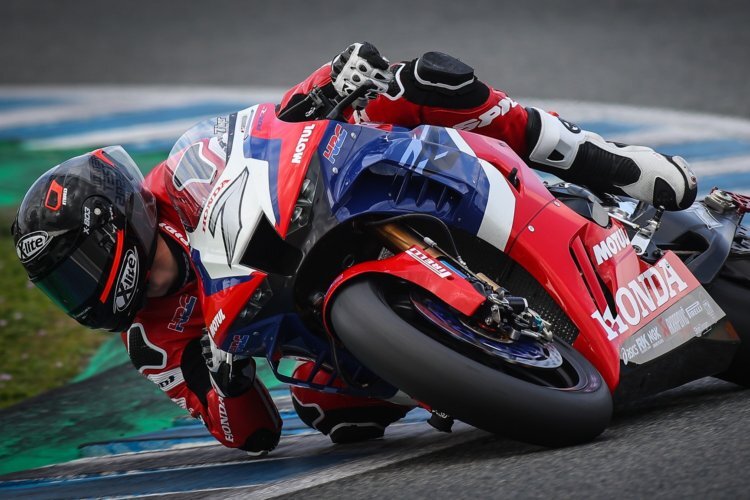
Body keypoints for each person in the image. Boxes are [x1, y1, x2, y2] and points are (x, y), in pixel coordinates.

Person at [11, 42, 697, 456]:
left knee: (424, 79)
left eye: (78, 267)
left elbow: (265, 126)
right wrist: (227, 379)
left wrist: (333, 80)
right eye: (61, 287)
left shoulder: (176, 182)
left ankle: (600, 161)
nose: (80, 291)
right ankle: (470, 360)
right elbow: (245, 434)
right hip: (313, 317)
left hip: (336, 199)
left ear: (116, 223)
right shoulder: (152, 341)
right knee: (331, 411)